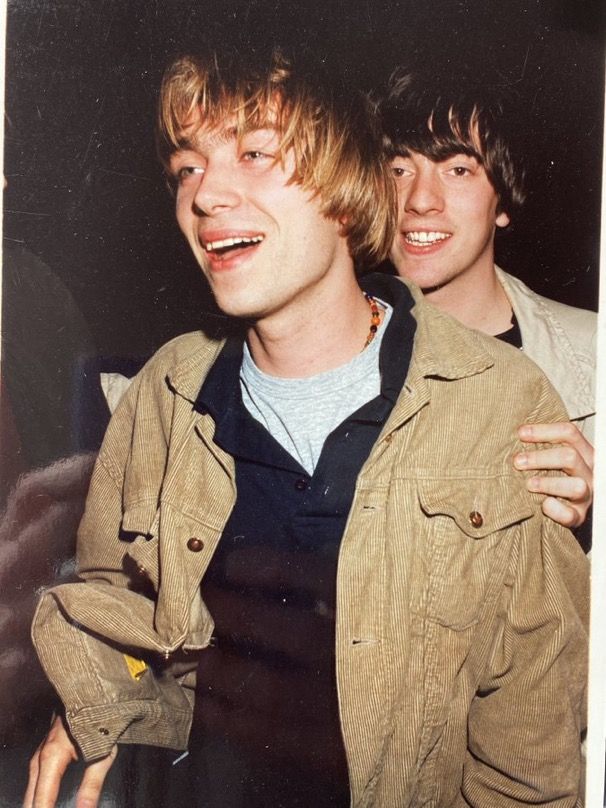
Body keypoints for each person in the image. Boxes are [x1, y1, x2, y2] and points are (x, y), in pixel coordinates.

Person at [26, 47, 588, 808]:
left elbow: (527, 759)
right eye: (187, 168)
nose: (207, 194)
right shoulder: (165, 393)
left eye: (255, 154)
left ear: (348, 194)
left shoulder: (499, 401)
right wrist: (95, 697)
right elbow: (120, 607)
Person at [377, 72, 596, 540]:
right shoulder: (326, 357)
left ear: (503, 198)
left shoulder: (594, 354)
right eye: (399, 169)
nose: (420, 200)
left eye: (458, 170)